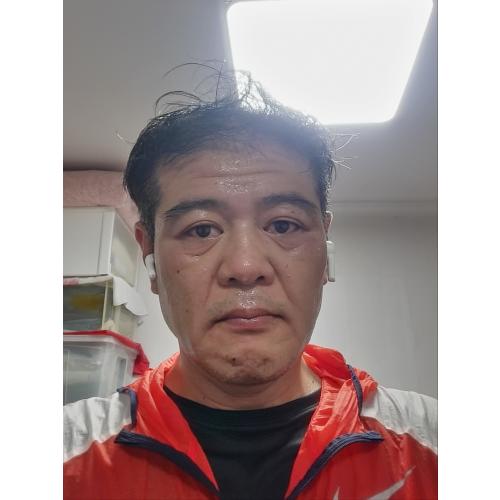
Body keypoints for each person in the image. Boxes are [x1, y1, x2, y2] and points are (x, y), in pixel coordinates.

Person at [63, 73, 437, 499]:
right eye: (201, 230)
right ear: (149, 256)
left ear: (324, 251)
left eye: (283, 225)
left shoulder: (434, 445)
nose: (245, 267)